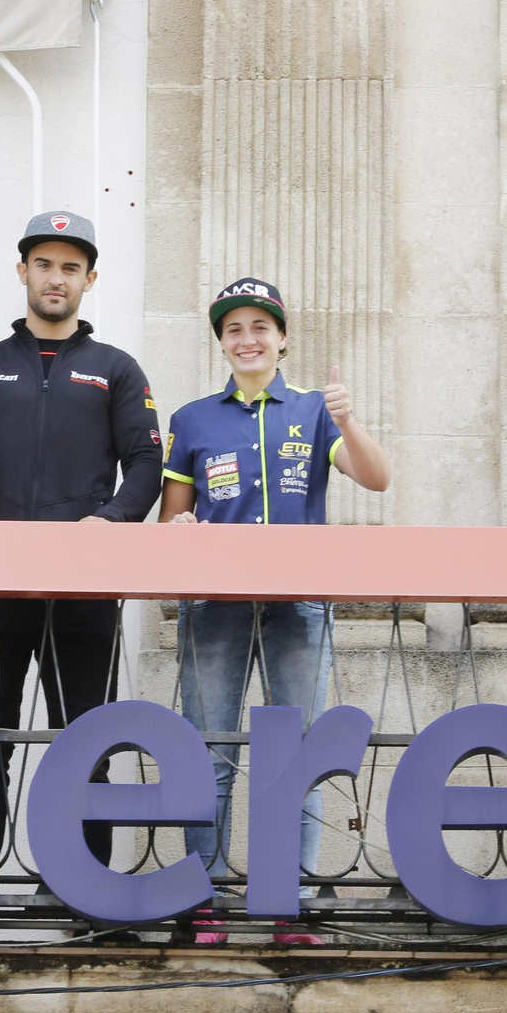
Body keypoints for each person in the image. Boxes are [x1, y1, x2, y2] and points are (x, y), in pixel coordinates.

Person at [0, 210, 162, 872]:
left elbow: (146, 462)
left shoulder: (116, 368)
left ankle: (83, 899)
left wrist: (111, 520)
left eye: (70, 268)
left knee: (86, 746)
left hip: (84, 587)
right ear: (22, 271)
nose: (56, 278)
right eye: (44, 264)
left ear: (89, 279)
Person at [160, 277, 390, 943]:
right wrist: (179, 529)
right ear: (221, 343)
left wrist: (348, 419)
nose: (248, 339)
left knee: (299, 758)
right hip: (214, 606)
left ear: (282, 338)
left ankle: (290, 905)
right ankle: (202, 902)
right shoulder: (193, 419)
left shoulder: (315, 410)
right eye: (234, 329)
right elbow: (171, 519)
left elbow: (378, 478)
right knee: (209, 751)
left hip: (299, 606)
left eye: (260, 326)